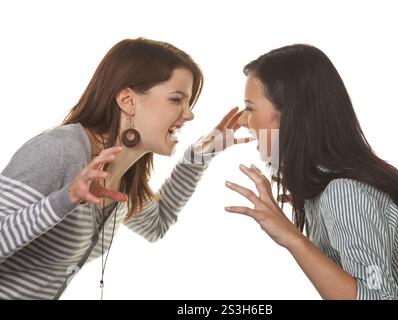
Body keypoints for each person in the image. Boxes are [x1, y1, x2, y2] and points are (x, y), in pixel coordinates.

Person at [0, 37, 251, 299]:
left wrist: (202, 154)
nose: (189, 114)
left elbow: (157, 224)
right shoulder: (58, 150)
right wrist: (66, 199)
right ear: (128, 101)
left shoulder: (125, 176)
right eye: (177, 100)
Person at [225, 44, 398, 299]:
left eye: (250, 108)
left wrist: (291, 238)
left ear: (289, 115)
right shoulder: (328, 187)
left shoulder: (344, 190)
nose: (243, 121)